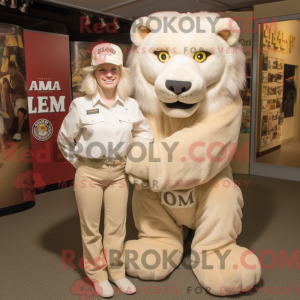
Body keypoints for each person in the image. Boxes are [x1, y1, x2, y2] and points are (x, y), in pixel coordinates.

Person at [57, 43, 153, 298]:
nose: (109, 74)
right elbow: (64, 140)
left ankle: (117, 273)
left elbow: (145, 133)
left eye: (114, 69)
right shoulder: (80, 105)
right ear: (94, 74)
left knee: (117, 227)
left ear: (121, 73)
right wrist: (80, 165)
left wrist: (135, 156)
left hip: (119, 173)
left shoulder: (130, 105)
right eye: (102, 70)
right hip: (89, 173)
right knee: (91, 228)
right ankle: (98, 276)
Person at [3, 61, 28, 141]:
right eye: (10, 72)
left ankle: (18, 132)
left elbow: (19, 91)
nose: (11, 73)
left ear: (15, 70)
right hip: (16, 99)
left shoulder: (19, 76)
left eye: (12, 71)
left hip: (22, 98)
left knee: (20, 111)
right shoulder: (11, 77)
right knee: (9, 110)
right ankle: (9, 130)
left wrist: (14, 102)